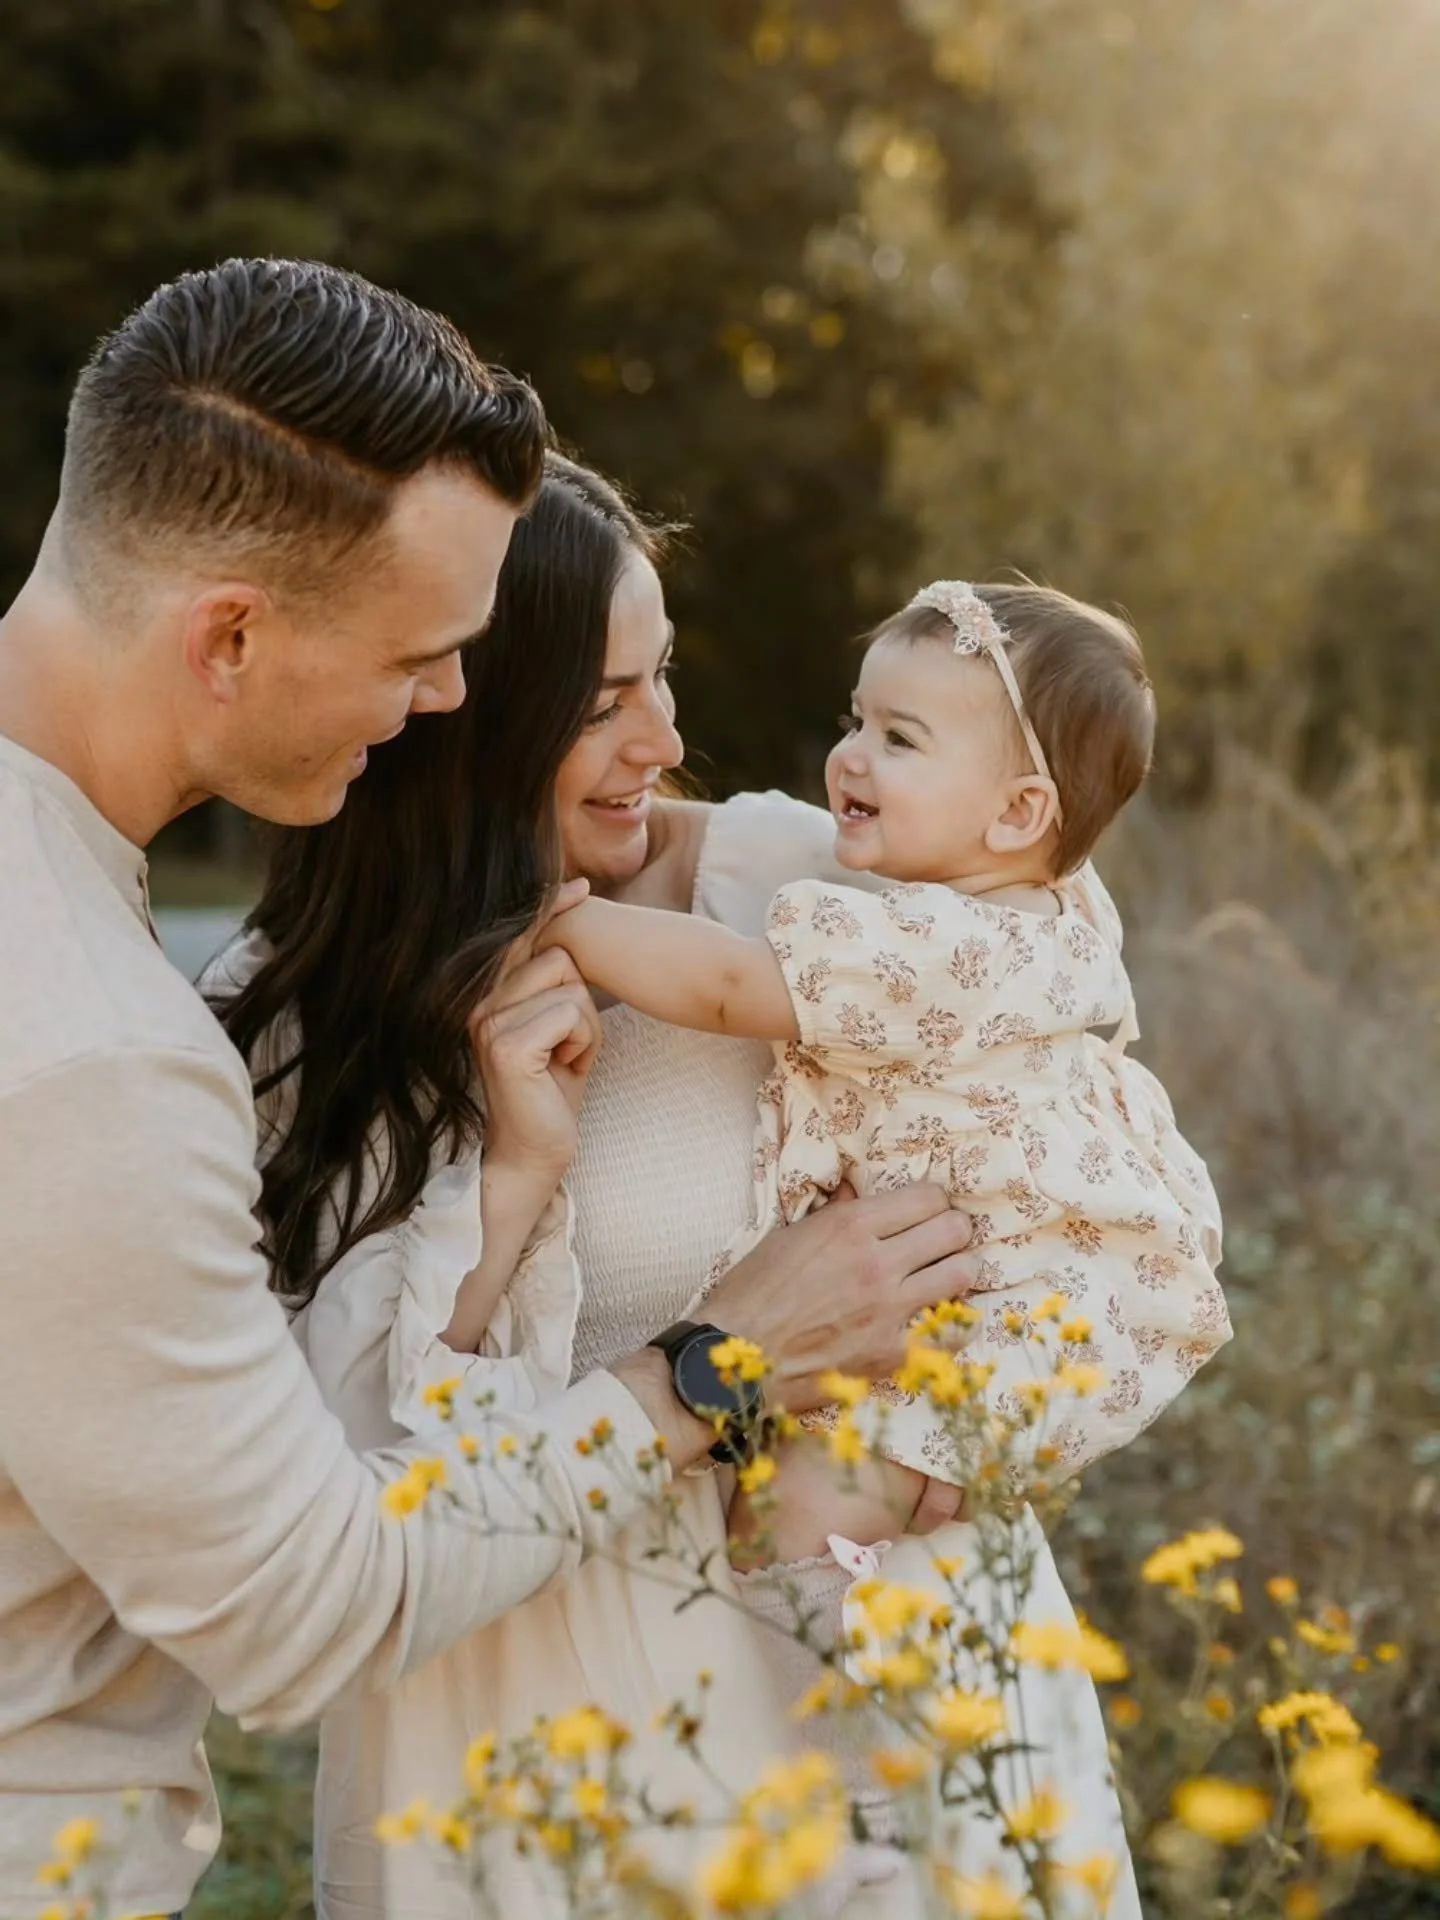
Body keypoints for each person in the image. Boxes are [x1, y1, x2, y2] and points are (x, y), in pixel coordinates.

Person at [0, 263, 971, 1920]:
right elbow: (302, 1606)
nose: (446, 698)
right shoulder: (109, 1046)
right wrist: (714, 1364)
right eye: (424, 652)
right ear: (229, 635)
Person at [220, 479, 1152, 1914]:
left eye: (660, 675)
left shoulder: (793, 888)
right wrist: (520, 1177)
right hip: (508, 1728)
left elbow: (1059, 1095)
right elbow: (339, 1492)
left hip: (853, 1692)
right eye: (603, 703)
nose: (661, 739)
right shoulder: (288, 1016)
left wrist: (997, 1395)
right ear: (457, 705)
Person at [542, 577, 1230, 1566]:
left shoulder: (934, 946)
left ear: (1018, 812)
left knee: (776, 1531)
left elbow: (731, 986)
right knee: (814, 1517)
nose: (850, 758)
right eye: (854, 721)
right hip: (1031, 1294)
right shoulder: (1058, 907)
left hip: (985, 1309)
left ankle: (839, 1636)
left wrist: (562, 924)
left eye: (900, 740)